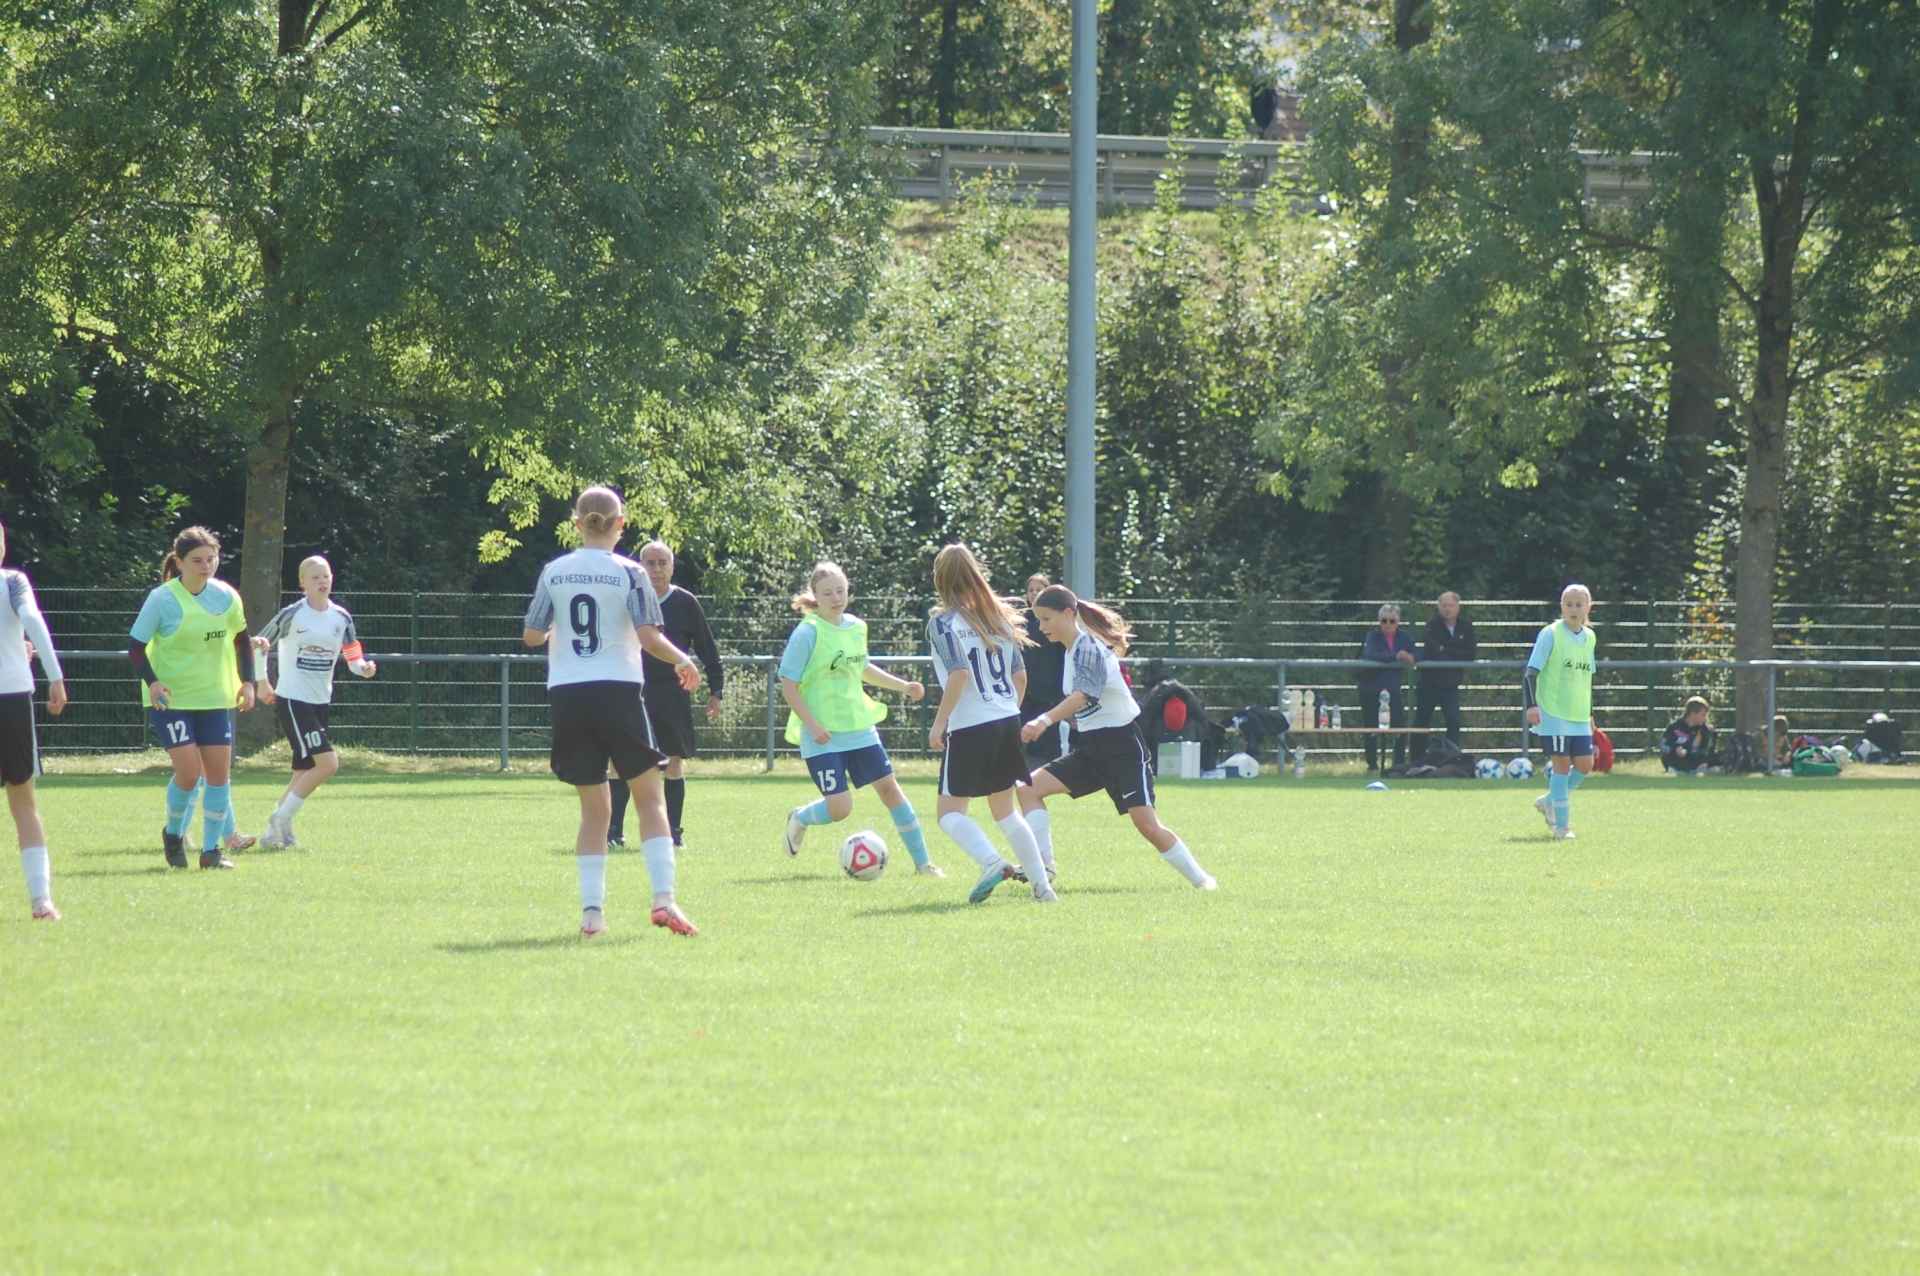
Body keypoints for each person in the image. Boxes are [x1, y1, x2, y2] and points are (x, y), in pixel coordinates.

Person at [522, 487, 703, 937]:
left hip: (568, 694)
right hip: (617, 691)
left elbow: (532, 634)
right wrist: (684, 660)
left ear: (576, 523)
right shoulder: (631, 572)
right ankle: (664, 901)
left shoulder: (554, 571)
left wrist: (559, 632)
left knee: (594, 811)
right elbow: (649, 638)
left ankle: (592, 916)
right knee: (650, 799)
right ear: (621, 524)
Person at [1016, 585, 1217, 891]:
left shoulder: (1088, 648)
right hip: (1090, 749)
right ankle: (1044, 866)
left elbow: (1082, 696)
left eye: (1046, 619)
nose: (1041, 627)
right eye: (1039, 620)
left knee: (1147, 825)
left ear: (1068, 614)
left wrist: (1043, 720)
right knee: (1028, 788)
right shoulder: (1071, 651)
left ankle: (1202, 880)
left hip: (1124, 748)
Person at [778, 562, 940, 876]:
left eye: (840, 591)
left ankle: (924, 865)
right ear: (815, 595)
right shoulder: (807, 633)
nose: (836, 598)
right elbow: (788, 687)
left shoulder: (856, 627)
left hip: (860, 728)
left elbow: (863, 668)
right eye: (827, 593)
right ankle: (800, 817)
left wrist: (903, 686)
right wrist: (813, 725)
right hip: (823, 735)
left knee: (890, 790)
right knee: (840, 809)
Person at [924, 545, 1053, 905]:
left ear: (939, 581)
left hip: (970, 725)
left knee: (949, 813)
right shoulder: (998, 618)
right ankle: (1043, 888)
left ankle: (991, 861)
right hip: (1007, 718)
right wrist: (1006, 712)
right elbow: (1020, 677)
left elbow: (959, 674)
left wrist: (939, 724)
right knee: (1006, 811)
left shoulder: (943, 623)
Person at [128, 526, 258, 870]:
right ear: (180, 561)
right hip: (171, 701)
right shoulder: (163, 599)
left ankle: (211, 850)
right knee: (189, 772)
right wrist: (153, 683)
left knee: (219, 774)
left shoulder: (226, 596)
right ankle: (173, 835)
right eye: (197, 560)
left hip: (214, 698)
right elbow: (136, 647)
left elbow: (242, 641)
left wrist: (248, 683)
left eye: (211, 558)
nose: (206, 566)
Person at [606, 541, 724, 849]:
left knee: (673, 762)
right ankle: (614, 833)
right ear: (639, 567)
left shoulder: (686, 603)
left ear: (672, 567)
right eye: (650, 563)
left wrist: (717, 691)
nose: (656, 569)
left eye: (663, 563)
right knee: (620, 762)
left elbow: (708, 650)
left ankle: (673, 835)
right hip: (630, 689)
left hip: (672, 692)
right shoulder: (626, 600)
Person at [254, 556, 377, 847]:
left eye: (326, 576)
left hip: (320, 701)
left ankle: (274, 836)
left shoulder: (341, 617)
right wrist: (262, 682)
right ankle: (281, 819)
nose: (322, 582)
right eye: (315, 577)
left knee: (303, 771)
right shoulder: (292, 614)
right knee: (328, 764)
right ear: (302, 582)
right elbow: (259, 645)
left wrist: (363, 668)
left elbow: (353, 657)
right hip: (293, 700)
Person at [1, 518, 68, 919]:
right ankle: (41, 900)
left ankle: (42, 899)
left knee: (25, 802)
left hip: (13, 694)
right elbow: (33, 621)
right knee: (24, 803)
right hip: (12, 696)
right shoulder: (13, 581)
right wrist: (55, 675)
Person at [1522, 584, 1597, 839]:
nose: (1573, 609)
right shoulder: (1550, 634)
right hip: (1553, 712)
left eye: (1579, 605)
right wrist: (1532, 705)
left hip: (1579, 715)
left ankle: (1549, 801)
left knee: (1586, 764)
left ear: (1588, 608)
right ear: (1561, 607)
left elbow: (1587, 679)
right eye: (1569, 604)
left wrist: (1590, 714)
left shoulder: (1590, 637)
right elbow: (1531, 673)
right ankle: (1562, 827)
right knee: (1561, 766)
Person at [1412, 592, 1475, 759]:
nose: (1448, 609)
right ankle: (1416, 760)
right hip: (1429, 683)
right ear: (1439, 607)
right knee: (1421, 722)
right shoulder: (1432, 625)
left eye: (1451, 605)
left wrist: (1445, 649)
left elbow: (1470, 655)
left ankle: (1453, 759)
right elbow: (1433, 652)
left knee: (1454, 722)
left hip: (1451, 686)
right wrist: (1456, 655)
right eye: (1444, 606)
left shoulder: (1466, 626)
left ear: (1458, 607)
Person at [1358, 604, 1417, 771]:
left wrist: (1411, 657)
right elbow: (1372, 654)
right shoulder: (1373, 636)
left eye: (1392, 621)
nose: (1388, 624)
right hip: (1371, 689)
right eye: (1384, 621)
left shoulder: (1404, 637)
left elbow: (1417, 652)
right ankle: (1372, 764)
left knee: (1399, 726)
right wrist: (1395, 657)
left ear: (1398, 622)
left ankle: (1399, 763)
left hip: (1393, 689)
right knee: (1371, 727)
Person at [1019, 573, 1069, 763]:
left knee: (1050, 735)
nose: (1034, 593)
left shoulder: (1056, 622)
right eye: (1030, 590)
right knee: (1021, 732)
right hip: (1025, 690)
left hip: (1049, 690)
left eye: (1039, 589)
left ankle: (1053, 771)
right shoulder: (1021, 621)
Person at [1660, 697, 1716, 774]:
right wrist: (1675, 750)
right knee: (1667, 757)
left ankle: (1694, 769)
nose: (1705, 719)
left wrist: (1706, 761)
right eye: (1703, 715)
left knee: (1717, 758)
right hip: (1678, 759)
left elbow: (1709, 749)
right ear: (1693, 714)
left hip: (1695, 759)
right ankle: (1688, 770)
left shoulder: (1705, 730)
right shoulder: (1674, 727)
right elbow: (1663, 745)